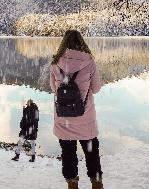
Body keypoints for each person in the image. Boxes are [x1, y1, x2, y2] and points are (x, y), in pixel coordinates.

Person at [50, 30, 103, 189]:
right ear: (81, 42)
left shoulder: (55, 64)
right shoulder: (89, 62)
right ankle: (97, 183)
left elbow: (54, 89)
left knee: (68, 155)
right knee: (92, 154)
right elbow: (96, 88)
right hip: (85, 120)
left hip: (64, 120)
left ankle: (72, 184)